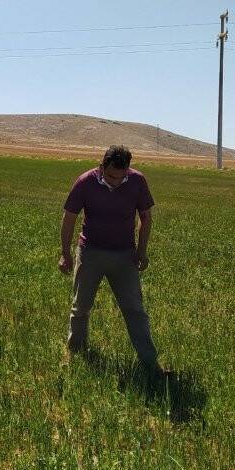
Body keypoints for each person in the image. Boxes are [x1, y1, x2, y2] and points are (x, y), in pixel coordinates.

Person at [59, 145, 163, 372]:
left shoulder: (137, 181)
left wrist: (142, 251)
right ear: (101, 166)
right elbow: (69, 217)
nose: (115, 182)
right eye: (111, 176)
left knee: (134, 309)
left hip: (124, 255)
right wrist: (65, 253)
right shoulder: (85, 182)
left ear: (128, 170)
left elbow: (146, 218)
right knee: (81, 307)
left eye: (121, 177)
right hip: (90, 253)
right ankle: (75, 354)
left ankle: (150, 363)